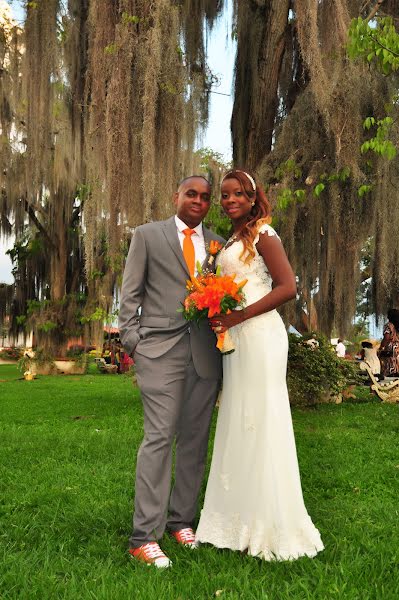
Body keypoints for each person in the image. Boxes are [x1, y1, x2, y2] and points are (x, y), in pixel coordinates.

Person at [195, 169, 324, 560]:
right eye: (225, 195)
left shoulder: (264, 234)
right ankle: (234, 517)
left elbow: (288, 287)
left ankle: (272, 520)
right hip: (235, 338)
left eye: (238, 194)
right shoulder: (228, 241)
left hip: (261, 335)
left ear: (253, 198)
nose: (230, 200)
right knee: (239, 416)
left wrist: (239, 316)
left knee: (263, 417)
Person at [119, 175, 224, 568]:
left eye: (205, 197)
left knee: (195, 441)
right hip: (158, 350)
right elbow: (130, 293)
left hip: (204, 354)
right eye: (191, 194)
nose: (198, 201)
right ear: (175, 195)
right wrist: (135, 343)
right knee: (159, 437)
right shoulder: (147, 235)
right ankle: (144, 536)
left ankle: (182, 521)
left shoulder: (217, 244)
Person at [379, 308, 399, 377]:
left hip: (390, 347)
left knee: (388, 363)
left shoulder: (388, 325)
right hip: (397, 347)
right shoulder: (397, 326)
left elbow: (386, 338)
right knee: (395, 362)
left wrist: (381, 346)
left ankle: (389, 377)